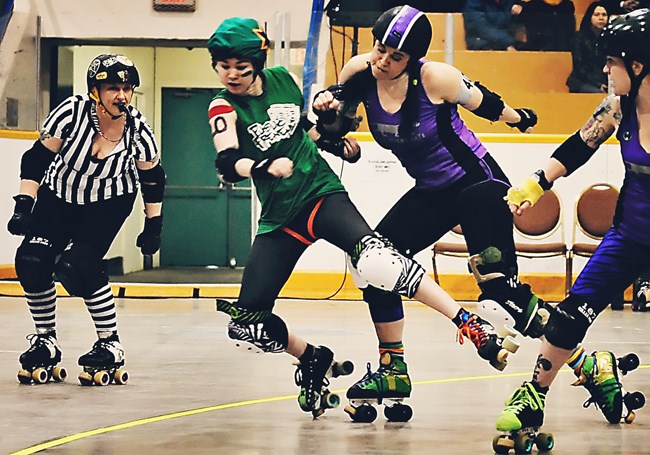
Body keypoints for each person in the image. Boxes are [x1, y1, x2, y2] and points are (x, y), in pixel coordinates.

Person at [207, 16, 516, 418]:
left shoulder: (284, 79)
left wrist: (335, 144)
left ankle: (466, 324)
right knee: (246, 323)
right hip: (280, 216)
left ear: (258, 63)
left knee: (375, 259)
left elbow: (302, 134)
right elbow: (227, 163)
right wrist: (262, 168)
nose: (231, 75)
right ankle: (313, 357)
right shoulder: (222, 104)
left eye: (241, 68)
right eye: (222, 66)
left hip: (321, 195)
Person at [312, 4, 546, 421]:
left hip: (477, 183)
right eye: (380, 49)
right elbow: (336, 130)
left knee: (501, 297)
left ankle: (586, 361)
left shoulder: (434, 76)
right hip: (433, 192)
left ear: (413, 59)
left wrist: (520, 119)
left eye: (396, 57)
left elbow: (485, 103)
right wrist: (327, 124)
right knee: (371, 262)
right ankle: (392, 370)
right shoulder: (358, 72)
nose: (384, 61)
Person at [494, 9, 650, 449]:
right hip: (630, 238)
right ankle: (533, 397)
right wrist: (536, 183)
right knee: (567, 317)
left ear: (637, 66)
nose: (604, 69)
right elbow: (578, 145)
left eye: (612, 62)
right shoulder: (619, 108)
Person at [8, 53, 164, 386]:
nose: (121, 95)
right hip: (58, 196)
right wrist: (24, 204)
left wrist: (154, 226)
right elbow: (36, 160)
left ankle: (110, 343)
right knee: (32, 262)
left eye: (127, 88)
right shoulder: (71, 113)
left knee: (78, 267)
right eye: (112, 88)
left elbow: (153, 181)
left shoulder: (139, 131)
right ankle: (45, 340)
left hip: (107, 204)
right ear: (95, 91)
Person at [566, 1, 610, 93]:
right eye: (597, 15)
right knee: (598, 93)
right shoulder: (579, 38)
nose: (601, 18)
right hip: (582, 81)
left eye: (604, 15)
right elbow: (579, 67)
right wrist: (598, 84)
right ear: (590, 17)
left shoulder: (610, 38)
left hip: (604, 82)